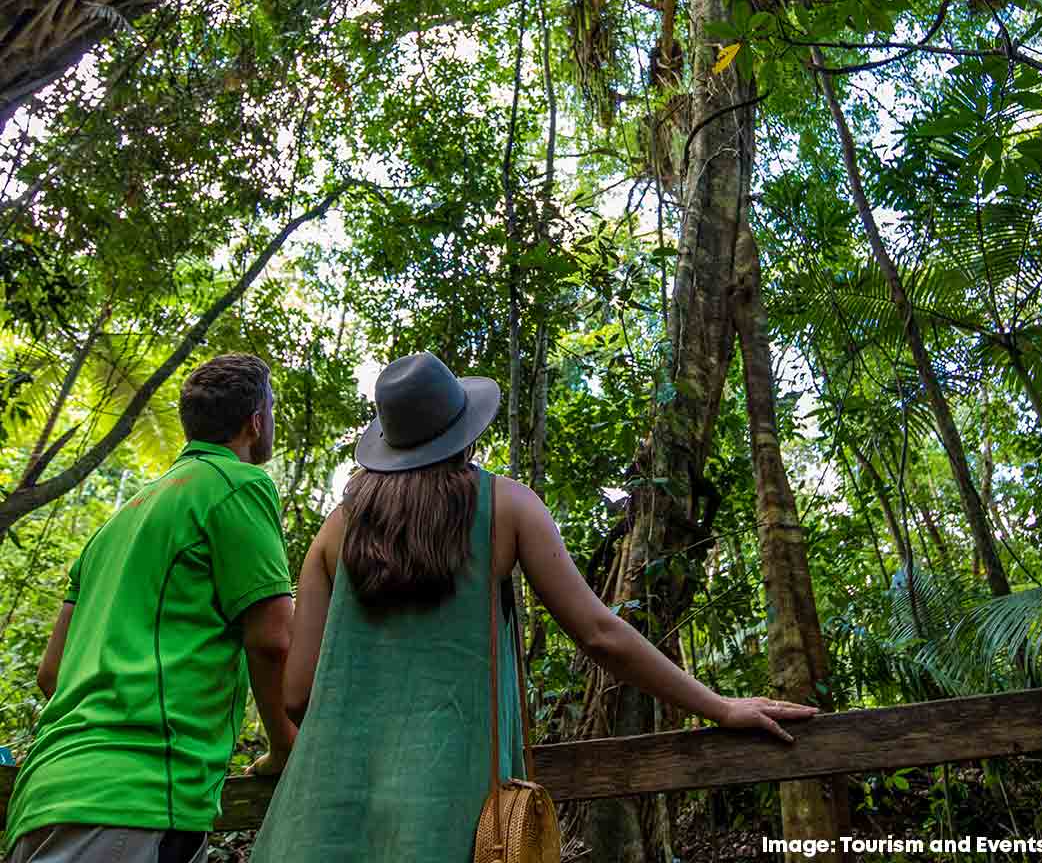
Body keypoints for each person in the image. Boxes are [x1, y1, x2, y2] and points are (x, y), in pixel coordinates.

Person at [250, 351, 817, 863]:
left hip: (320, 818)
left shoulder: (336, 529)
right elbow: (599, 633)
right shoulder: (507, 507)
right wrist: (717, 706)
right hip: (448, 814)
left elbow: (296, 695)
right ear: (464, 434)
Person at [4, 354, 297, 863]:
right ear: (256, 421)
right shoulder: (238, 485)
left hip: (44, 795)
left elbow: (52, 674)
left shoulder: (118, 522)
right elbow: (273, 638)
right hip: (137, 799)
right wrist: (285, 747)